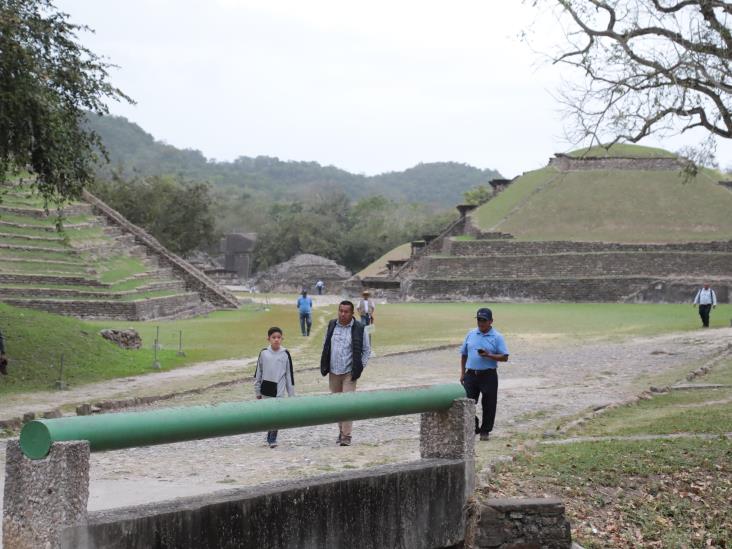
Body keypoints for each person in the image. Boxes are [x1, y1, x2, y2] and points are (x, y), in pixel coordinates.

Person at [320, 300, 371, 446]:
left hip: (349, 372)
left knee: (347, 404)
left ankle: (346, 436)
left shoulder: (360, 328)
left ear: (352, 313)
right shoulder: (331, 325)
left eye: (346, 311)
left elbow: (366, 350)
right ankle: (341, 431)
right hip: (333, 372)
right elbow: (325, 344)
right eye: (340, 311)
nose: (343, 314)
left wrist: (359, 367)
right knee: (337, 406)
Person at [459, 307, 509, 442]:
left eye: (484, 320)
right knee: (467, 402)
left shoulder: (497, 337)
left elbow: (505, 357)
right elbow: (464, 354)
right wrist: (463, 373)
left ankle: (485, 431)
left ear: (491, 321)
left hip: (489, 375)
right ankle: (473, 426)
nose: (481, 323)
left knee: (489, 404)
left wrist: (489, 355)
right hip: (471, 375)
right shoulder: (471, 334)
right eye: (479, 320)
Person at [254, 327, 295, 448]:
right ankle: (269, 434)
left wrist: (291, 394)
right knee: (269, 414)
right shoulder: (263, 353)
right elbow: (258, 372)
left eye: (279, 337)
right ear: (268, 339)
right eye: (274, 337)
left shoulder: (285, 354)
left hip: (279, 388)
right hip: (266, 388)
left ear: (282, 338)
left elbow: (289, 375)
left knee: (277, 414)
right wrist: (257, 390)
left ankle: (273, 438)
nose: (276, 340)